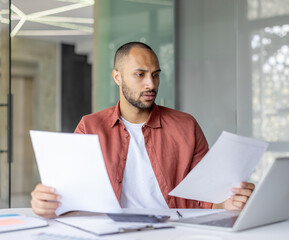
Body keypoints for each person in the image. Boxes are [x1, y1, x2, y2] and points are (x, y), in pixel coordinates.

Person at [31, 42, 255, 218]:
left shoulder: (186, 125)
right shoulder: (90, 126)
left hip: (177, 231)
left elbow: (206, 197)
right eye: (140, 74)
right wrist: (46, 202)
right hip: (113, 232)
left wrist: (228, 202)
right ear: (117, 77)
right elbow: (71, 193)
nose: (151, 84)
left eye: (155, 75)